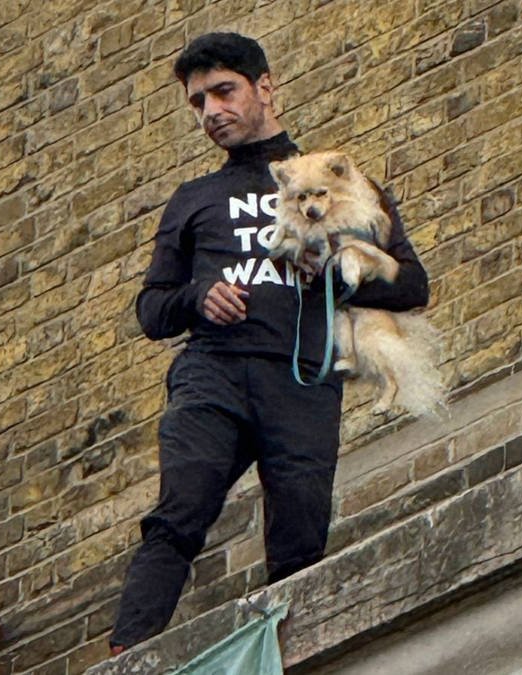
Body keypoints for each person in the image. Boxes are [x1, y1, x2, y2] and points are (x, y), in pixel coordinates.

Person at [108, 32, 429, 654]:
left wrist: (337, 269)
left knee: (302, 539)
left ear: (265, 87)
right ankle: (127, 656)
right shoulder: (194, 199)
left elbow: (412, 285)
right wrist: (200, 296)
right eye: (198, 103)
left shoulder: (338, 181)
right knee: (179, 513)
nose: (211, 113)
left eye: (224, 92)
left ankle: (292, 657)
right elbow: (151, 309)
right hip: (213, 373)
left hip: (302, 381)